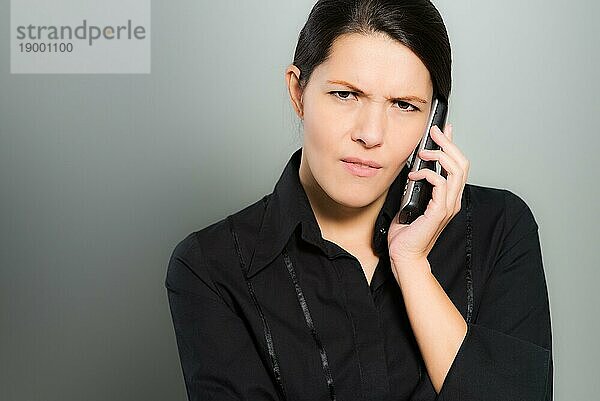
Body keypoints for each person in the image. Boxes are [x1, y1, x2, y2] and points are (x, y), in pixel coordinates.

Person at [165, 0, 553, 400]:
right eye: (346, 95)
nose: (371, 134)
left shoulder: (499, 229)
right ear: (298, 92)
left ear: (433, 120)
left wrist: (413, 267)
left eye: (404, 105)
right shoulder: (211, 268)